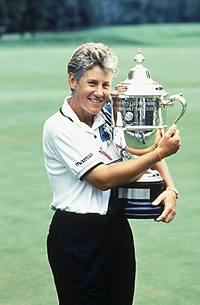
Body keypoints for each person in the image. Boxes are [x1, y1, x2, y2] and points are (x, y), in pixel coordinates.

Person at [43, 42, 181, 305]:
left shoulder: (108, 114)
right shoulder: (59, 127)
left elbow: (143, 145)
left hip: (116, 228)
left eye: (106, 85)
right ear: (73, 80)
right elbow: (103, 178)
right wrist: (160, 153)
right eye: (92, 83)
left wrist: (170, 187)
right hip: (76, 237)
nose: (100, 93)